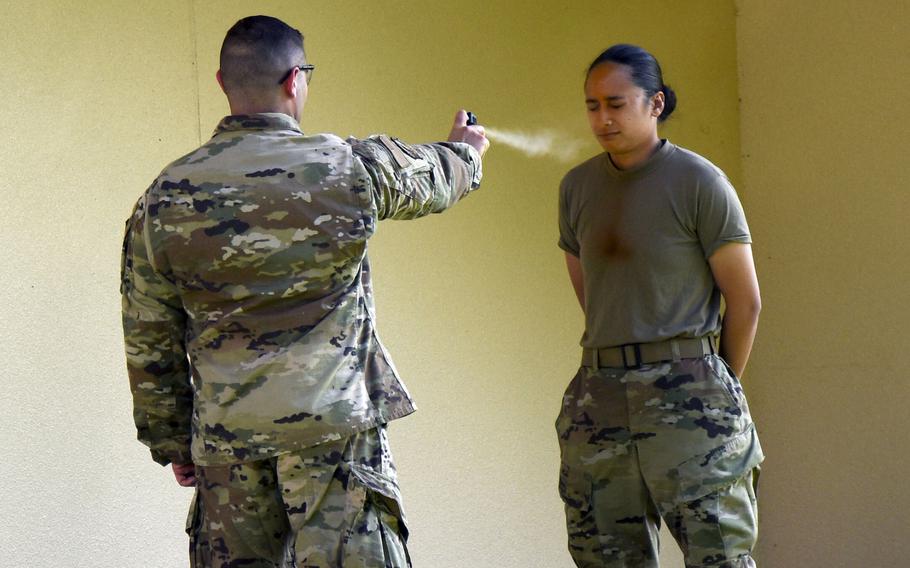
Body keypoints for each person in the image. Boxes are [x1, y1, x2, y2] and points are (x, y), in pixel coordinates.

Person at [120, 15, 488, 567]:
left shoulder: (164, 197)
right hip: (334, 438)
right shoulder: (347, 167)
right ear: (295, 81)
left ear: (223, 83)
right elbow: (433, 178)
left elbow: (148, 333)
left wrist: (171, 438)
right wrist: (465, 152)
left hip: (227, 443)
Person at [555, 44, 764, 567]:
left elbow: (746, 301)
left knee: (718, 555)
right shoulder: (577, 187)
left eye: (617, 103)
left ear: (655, 103)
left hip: (690, 391)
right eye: (592, 105)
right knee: (604, 555)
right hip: (598, 397)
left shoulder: (700, 182)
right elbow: (594, 297)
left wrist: (715, 384)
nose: (603, 118)